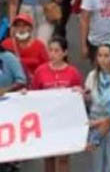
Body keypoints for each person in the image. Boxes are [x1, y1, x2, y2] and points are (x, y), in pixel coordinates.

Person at [31, 36, 82, 172]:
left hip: (66, 121)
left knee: (64, 157)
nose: (53, 54)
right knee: (49, 157)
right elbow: (34, 95)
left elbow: (79, 98)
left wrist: (79, 92)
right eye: (51, 50)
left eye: (57, 51)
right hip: (47, 121)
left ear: (64, 53)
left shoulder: (73, 72)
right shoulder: (40, 71)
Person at [84, 43, 110, 172]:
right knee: (97, 165)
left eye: (106, 55)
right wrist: (85, 97)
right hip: (95, 125)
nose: (103, 59)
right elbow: (88, 101)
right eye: (100, 55)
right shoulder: (92, 76)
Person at [0, 13, 48, 81]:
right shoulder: (6, 44)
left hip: (34, 83)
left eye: (24, 26)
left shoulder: (39, 45)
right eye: (18, 26)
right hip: (13, 83)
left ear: (31, 28)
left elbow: (46, 67)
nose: (21, 29)